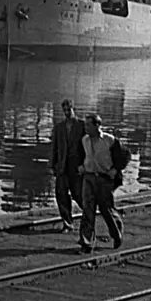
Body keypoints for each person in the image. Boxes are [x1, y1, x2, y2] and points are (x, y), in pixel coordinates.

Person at [78, 113, 124, 253]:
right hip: (89, 178)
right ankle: (86, 242)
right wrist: (80, 166)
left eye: (88, 125)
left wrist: (115, 170)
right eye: (85, 124)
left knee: (106, 210)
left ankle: (117, 233)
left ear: (97, 125)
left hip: (104, 179)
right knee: (88, 209)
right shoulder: (84, 140)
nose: (85, 127)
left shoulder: (110, 140)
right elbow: (80, 155)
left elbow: (123, 156)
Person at [49, 99, 86, 231]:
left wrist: (86, 165)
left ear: (73, 109)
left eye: (68, 110)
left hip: (77, 167)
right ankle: (67, 223)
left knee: (78, 194)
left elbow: (87, 148)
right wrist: (52, 165)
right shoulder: (59, 128)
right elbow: (54, 147)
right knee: (61, 194)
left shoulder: (82, 126)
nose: (66, 113)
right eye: (64, 110)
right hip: (62, 167)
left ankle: (89, 214)